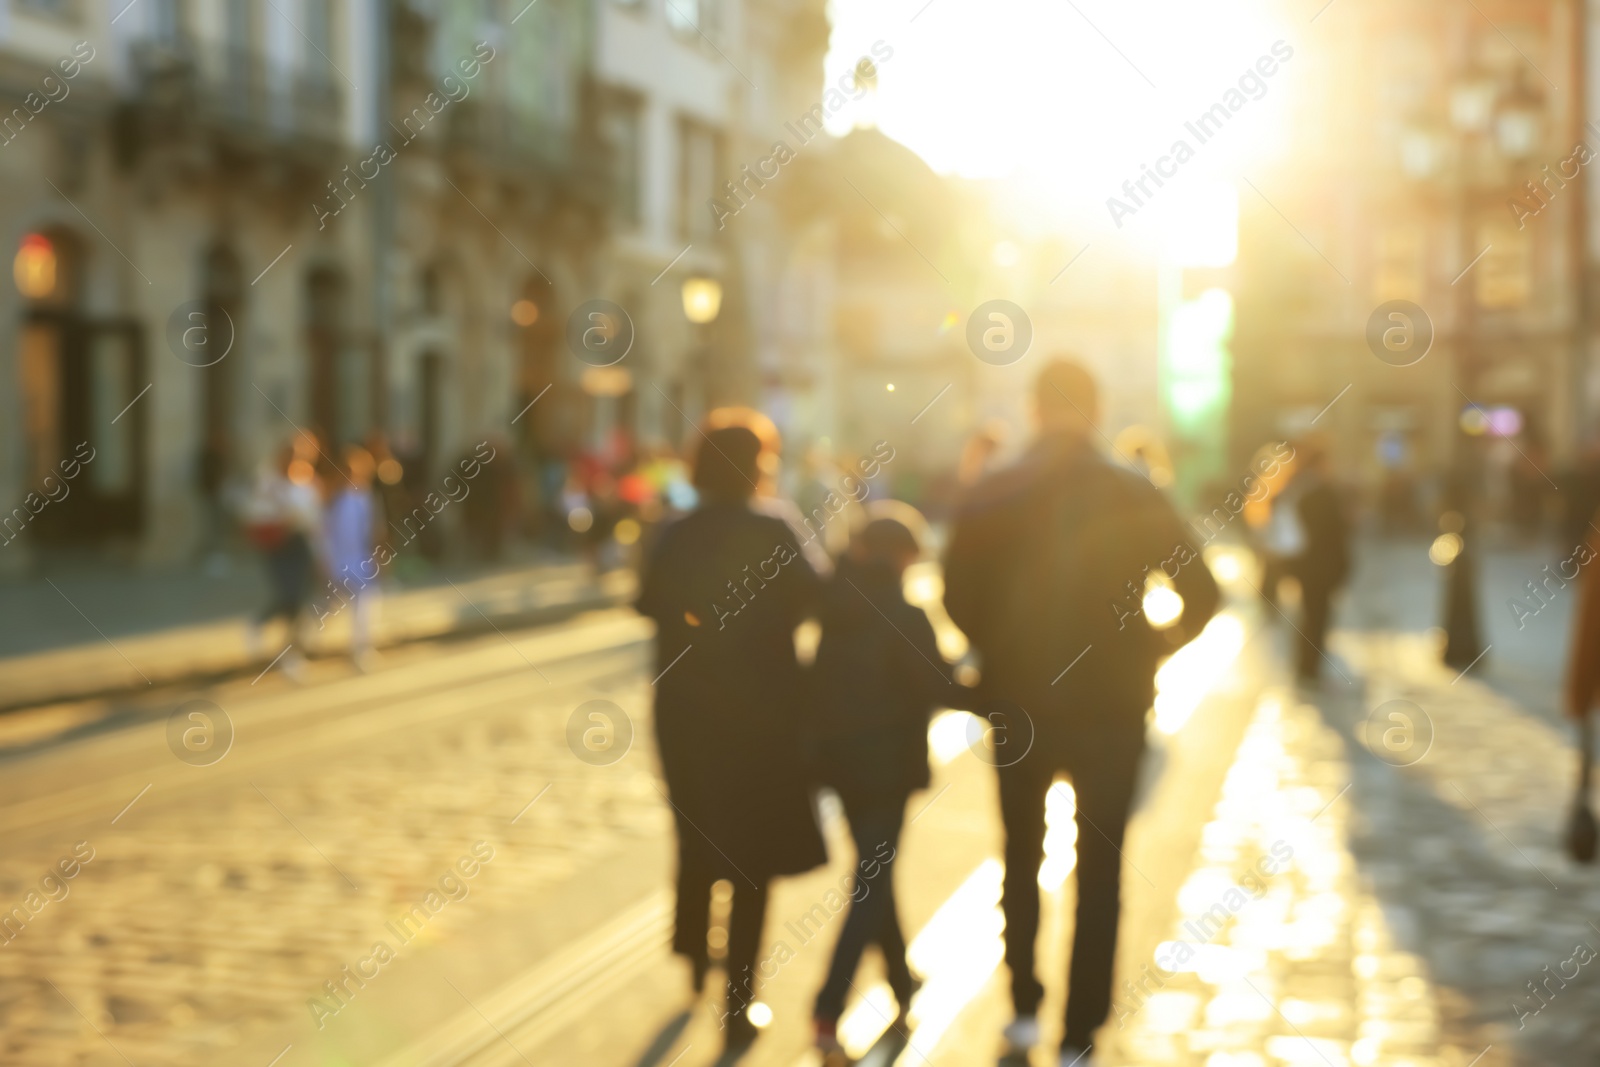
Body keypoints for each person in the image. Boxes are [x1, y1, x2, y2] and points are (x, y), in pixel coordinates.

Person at [942, 358, 1219, 1066]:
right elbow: (1204, 591)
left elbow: (955, 593)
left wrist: (997, 646)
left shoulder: (996, 486)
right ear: (1095, 412)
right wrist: (1153, 646)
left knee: (1020, 853)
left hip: (1021, 698)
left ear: (1035, 409)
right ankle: (1080, 1030)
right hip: (1112, 703)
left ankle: (1026, 1006)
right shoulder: (1134, 489)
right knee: (1102, 866)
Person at [636, 424, 828, 1057]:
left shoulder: (676, 531)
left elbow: (647, 603)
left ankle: (694, 950)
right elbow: (817, 599)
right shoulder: (774, 529)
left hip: (685, 708)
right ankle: (738, 1007)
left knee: (693, 829)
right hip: (760, 716)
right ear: (757, 467)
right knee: (751, 861)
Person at [807, 509, 971, 1059]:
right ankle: (828, 1009)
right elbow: (943, 686)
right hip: (888, 769)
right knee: (870, 884)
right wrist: (998, 690)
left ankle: (901, 984)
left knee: (877, 873)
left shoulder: (834, 605)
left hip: (840, 767)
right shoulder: (905, 612)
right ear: (901, 558)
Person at [242, 436, 322, 681]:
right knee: (288, 595)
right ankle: (260, 624)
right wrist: (281, 519)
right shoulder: (267, 482)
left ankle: (290, 654)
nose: (294, 460)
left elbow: (314, 518)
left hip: (300, 544)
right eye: (290, 455)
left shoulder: (305, 482)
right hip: (278, 544)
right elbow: (255, 514)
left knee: (298, 598)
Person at [1282, 435, 1351, 682]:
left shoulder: (1301, 492)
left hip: (1308, 568)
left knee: (1310, 617)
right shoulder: (1321, 495)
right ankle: (1309, 669)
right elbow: (1333, 535)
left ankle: (1307, 667)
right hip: (1320, 569)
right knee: (1316, 618)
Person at [321, 445, 381, 671]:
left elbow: (373, 529)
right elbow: (324, 531)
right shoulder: (333, 497)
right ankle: (300, 645)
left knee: (364, 606)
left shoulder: (364, 497)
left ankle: (360, 649)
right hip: (337, 560)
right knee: (326, 607)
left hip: (360, 560)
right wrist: (325, 561)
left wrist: (376, 555)